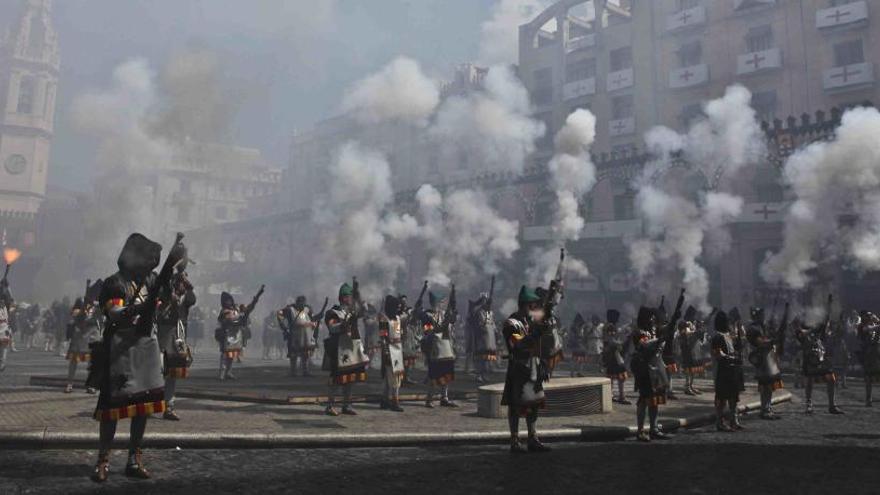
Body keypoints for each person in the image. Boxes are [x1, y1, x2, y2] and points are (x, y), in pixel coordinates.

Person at [88, 233, 184, 482]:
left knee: (143, 408)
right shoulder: (115, 282)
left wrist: (165, 300)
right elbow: (115, 313)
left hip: (146, 348)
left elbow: (161, 308)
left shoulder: (153, 280)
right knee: (111, 409)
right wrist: (140, 307)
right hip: (121, 349)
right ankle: (103, 459)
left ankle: (134, 458)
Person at [631, 289, 685, 442]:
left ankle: (654, 428)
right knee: (644, 400)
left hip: (656, 369)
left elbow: (667, 330)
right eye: (651, 318)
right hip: (644, 370)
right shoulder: (639, 332)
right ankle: (641, 431)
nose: (654, 320)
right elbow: (643, 346)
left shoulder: (654, 331)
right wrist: (659, 339)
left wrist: (674, 317)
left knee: (655, 401)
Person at [501, 285, 550, 453]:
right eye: (533, 305)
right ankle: (514, 440)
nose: (536, 308)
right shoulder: (511, 323)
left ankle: (532, 437)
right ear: (526, 305)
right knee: (515, 406)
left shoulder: (531, 321)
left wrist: (542, 363)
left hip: (534, 367)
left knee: (534, 404)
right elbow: (519, 345)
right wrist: (537, 333)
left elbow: (540, 344)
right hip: (519, 368)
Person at [323, 281, 369, 416]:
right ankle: (330, 405)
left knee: (351, 379)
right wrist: (344, 323)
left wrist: (358, 295)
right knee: (336, 380)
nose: (348, 299)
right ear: (341, 297)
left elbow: (366, 310)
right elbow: (332, 327)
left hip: (353, 349)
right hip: (339, 349)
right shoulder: (333, 312)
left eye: (350, 296)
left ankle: (346, 405)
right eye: (346, 296)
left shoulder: (354, 310)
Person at [156, 265, 196, 420]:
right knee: (158, 371)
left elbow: (192, 298)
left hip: (178, 338)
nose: (183, 285)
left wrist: (186, 283)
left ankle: (169, 407)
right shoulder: (164, 294)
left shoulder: (186, 297)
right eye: (181, 282)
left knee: (173, 374)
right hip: (163, 336)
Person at [795, 295, 843, 415]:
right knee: (809, 380)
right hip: (809, 356)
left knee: (831, 378)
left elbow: (826, 319)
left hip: (821, 356)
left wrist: (828, 305)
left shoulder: (818, 326)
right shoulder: (802, 325)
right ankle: (808, 405)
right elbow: (801, 334)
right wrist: (812, 329)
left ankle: (832, 405)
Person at [747, 303, 789, 420]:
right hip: (762, 360)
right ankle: (764, 410)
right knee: (765, 387)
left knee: (769, 387)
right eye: (761, 315)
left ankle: (768, 408)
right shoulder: (753, 329)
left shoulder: (763, 326)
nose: (763, 316)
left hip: (769, 359)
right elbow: (761, 342)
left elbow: (770, 337)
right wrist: (773, 340)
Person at [420, 288, 459, 408]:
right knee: (433, 375)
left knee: (447, 375)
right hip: (434, 349)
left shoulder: (444, 314)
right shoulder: (427, 315)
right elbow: (427, 331)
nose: (440, 304)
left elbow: (452, 320)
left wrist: (452, 315)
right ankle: (429, 399)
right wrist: (442, 327)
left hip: (446, 347)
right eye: (438, 302)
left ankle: (444, 398)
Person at [216, 287, 263, 381]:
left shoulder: (237, 308)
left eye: (229, 300)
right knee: (225, 355)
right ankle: (222, 373)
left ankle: (228, 372)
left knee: (232, 354)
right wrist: (238, 321)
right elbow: (225, 320)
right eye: (226, 301)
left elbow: (248, 308)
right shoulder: (224, 311)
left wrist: (255, 299)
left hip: (236, 334)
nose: (228, 302)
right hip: (227, 334)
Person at [711, 310, 745, 431]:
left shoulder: (728, 335)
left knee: (733, 397)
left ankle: (734, 421)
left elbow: (736, 349)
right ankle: (720, 422)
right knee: (722, 397)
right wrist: (732, 358)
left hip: (732, 370)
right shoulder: (717, 336)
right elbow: (718, 354)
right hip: (722, 370)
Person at [65, 286, 103, 394]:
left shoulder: (99, 304)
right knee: (74, 360)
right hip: (80, 332)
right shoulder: (80, 300)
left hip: (92, 333)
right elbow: (73, 313)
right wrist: (81, 312)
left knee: (93, 362)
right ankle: (69, 384)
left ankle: (91, 385)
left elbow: (103, 316)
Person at [279, 295, 326, 376]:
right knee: (293, 354)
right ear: (297, 302)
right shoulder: (290, 309)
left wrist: (319, 315)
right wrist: (283, 326)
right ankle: (293, 371)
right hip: (294, 334)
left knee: (305, 354)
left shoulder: (307, 309)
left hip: (306, 335)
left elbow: (312, 318)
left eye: (303, 303)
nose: (302, 305)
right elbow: (280, 313)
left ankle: (305, 371)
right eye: (300, 303)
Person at [379, 295, 407, 412]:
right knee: (393, 378)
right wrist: (386, 352)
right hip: (389, 350)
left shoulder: (396, 318)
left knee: (393, 377)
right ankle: (394, 402)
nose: (398, 309)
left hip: (397, 349)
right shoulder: (384, 319)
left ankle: (385, 400)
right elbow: (383, 337)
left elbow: (397, 333)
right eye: (396, 307)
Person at [468, 284, 498, 383]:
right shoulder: (479, 312)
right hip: (481, 339)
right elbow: (478, 326)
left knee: (488, 359)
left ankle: (485, 375)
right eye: (485, 302)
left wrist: (495, 332)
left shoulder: (491, 313)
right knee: (481, 358)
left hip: (490, 339)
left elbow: (493, 325)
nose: (488, 304)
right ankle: (479, 375)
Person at [601, 310, 630, 404]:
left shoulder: (607, 326)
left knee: (614, 376)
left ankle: (612, 395)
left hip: (611, 354)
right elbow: (612, 340)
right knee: (619, 376)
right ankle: (620, 396)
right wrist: (622, 343)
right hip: (613, 355)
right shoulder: (609, 327)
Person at [857, 311, 880, 407]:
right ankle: (868, 399)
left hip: (877, 352)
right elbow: (868, 329)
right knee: (869, 377)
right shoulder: (861, 326)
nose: (870, 317)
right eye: (868, 316)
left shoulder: (874, 324)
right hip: (868, 354)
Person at [567, 313, 588, 378]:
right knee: (574, 359)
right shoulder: (573, 328)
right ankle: (572, 373)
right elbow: (573, 337)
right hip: (576, 345)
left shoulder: (578, 328)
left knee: (581, 360)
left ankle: (579, 372)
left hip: (579, 345)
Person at [0, 275, 13, 372]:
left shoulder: (6, 303)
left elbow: (11, 302)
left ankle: (2, 363)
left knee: (4, 346)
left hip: (4, 325)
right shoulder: (7, 298)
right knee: (3, 347)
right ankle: (2, 363)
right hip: (4, 325)